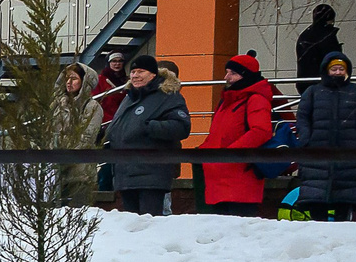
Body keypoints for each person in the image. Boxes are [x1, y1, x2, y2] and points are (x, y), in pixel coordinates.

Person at [105, 53, 189, 214]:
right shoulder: (129, 97)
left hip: (151, 175)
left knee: (149, 226)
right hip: (126, 174)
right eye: (133, 72)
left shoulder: (168, 96)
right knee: (133, 227)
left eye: (140, 71)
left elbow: (181, 127)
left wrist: (149, 127)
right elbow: (119, 128)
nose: (135, 76)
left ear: (153, 74)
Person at [297, 49, 356, 222]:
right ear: (326, 70)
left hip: (348, 152)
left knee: (344, 201)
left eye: (341, 69)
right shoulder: (313, 92)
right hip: (316, 151)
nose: (338, 72)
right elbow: (302, 117)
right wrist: (305, 139)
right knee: (316, 202)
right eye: (334, 69)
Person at [200, 52, 274, 218]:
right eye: (227, 72)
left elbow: (261, 132)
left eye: (232, 73)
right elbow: (216, 135)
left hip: (240, 176)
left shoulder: (255, 99)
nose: (227, 77)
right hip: (221, 176)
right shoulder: (227, 100)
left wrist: (230, 153)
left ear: (245, 75)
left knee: (238, 230)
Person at [296, 4, 341, 86]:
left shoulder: (305, 35)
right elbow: (333, 58)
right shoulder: (326, 36)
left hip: (305, 82)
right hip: (324, 83)